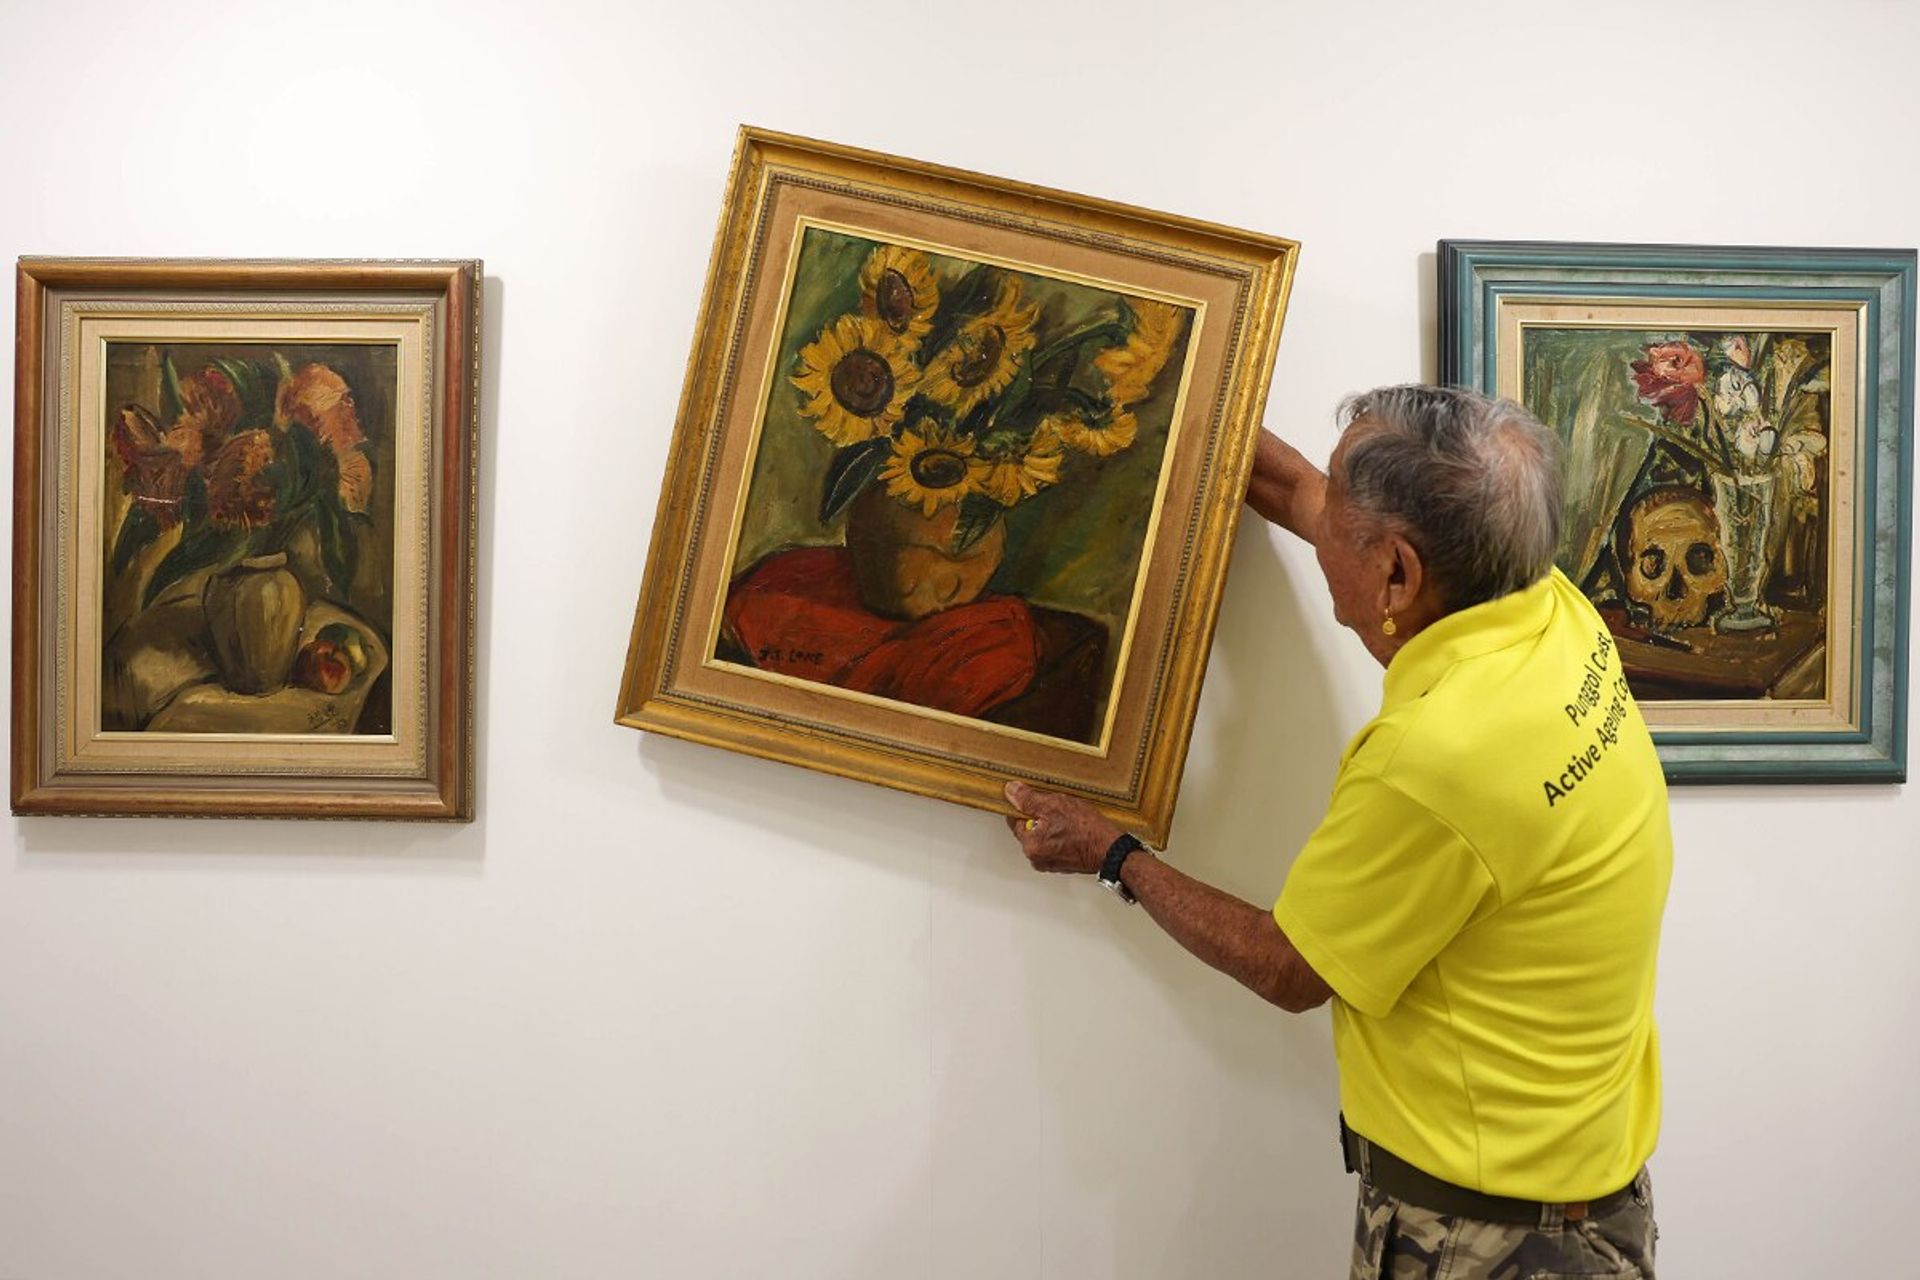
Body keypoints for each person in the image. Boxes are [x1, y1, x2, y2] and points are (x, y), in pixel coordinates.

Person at [1002, 385, 1670, 1280]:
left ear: (1397, 574)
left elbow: (1289, 969)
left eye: (1341, 515)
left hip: (1494, 1244)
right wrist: (1180, 381)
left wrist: (1112, 852)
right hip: (1584, 1198)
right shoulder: (1545, 605)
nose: (1320, 523)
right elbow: (1300, 495)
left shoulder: (1438, 761)